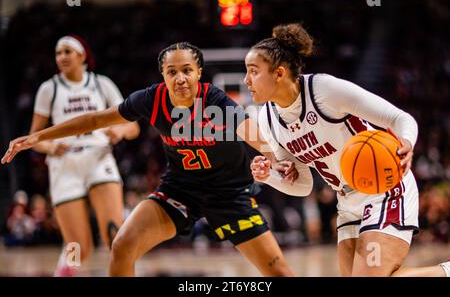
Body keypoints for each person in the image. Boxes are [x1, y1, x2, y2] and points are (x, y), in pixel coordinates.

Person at [2, 42, 296, 277]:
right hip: (180, 191)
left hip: (229, 194)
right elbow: (95, 119)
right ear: (163, 75)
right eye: (171, 72)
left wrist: (271, 154)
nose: (180, 78)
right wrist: (40, 136)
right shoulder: (151, 99)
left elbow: (249, 130)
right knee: (122, 246)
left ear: (199, 72)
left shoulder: (214, 99)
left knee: (278, 271)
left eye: (186, 70)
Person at [245, 23, 450, 277]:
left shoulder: (325, 91)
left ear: (279, 73)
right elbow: (302, 185)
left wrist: (407, 141)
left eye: (253, 72)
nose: (246, 80)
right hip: (346, 202)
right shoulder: (267, 119)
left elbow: (400, 119)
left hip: (383, 189)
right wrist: (270, 177)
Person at [26, 35, 140, 276]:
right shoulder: (50, 88)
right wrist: (50, 147)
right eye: (58, 53)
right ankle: (63, 271)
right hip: (65, 165)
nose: (61, 57)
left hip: (99, 160)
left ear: (82, 55)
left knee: (116, 239)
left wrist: (118, 131)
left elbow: (133, 127)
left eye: (67, 51)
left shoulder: (101, 84)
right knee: (79, 249)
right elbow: (34, 138)